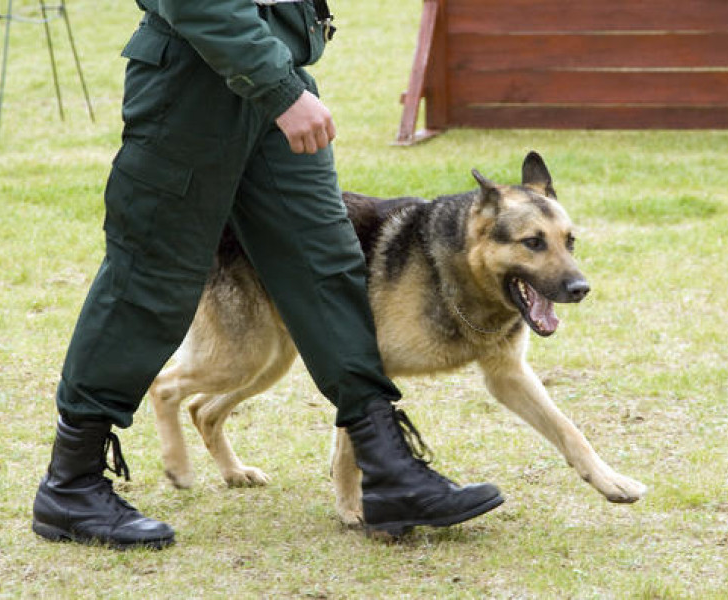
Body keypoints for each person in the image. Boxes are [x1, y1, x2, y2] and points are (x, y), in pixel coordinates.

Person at [31, 0, 503, 549]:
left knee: (326, 267)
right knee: (148, 279)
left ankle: (388, 469)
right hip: (193, 91)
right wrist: (281, 90)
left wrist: (282, 83)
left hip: (275, 78)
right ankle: (72, 483)